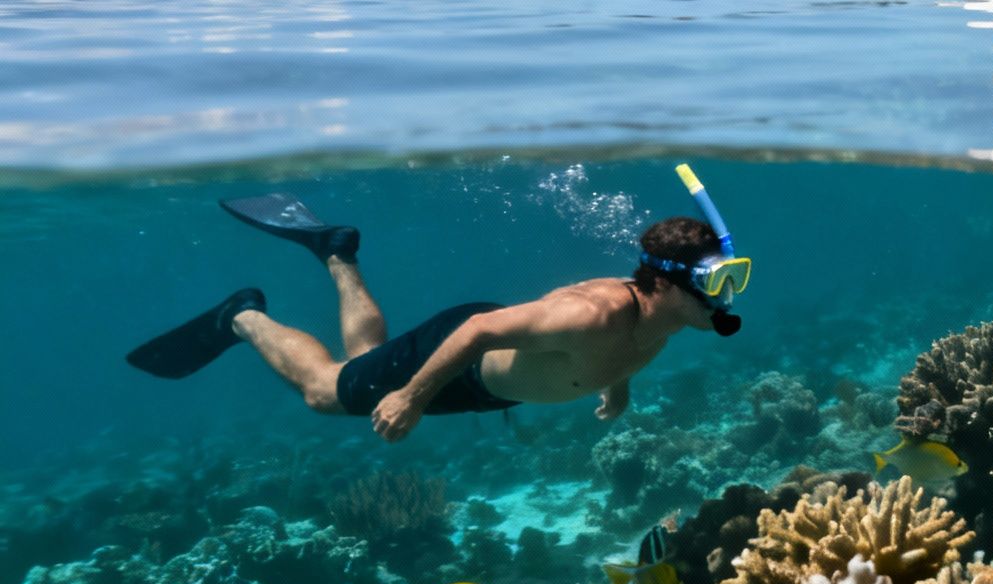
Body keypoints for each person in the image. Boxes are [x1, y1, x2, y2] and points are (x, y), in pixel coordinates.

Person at [126, 169, 750, 443]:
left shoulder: (667, 317)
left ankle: (336, 252)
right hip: (463, 356)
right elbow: (479, 328)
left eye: (733, 277)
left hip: (492, 385)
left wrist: (618, 390)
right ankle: (242, 315)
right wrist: (412, 397)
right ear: (666, 283)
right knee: (325, 392)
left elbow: (626, 353)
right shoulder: (593, 313)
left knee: (366, 356)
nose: (727, 295)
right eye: (719, 280)